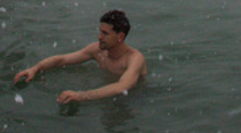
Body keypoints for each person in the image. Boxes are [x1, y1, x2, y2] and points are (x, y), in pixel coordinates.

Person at [13, 9, 147, 104]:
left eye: (105, 33)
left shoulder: (134, 59)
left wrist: (81, 96)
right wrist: (35, 68)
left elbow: (122, 87)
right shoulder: (97, 50)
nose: (99, 37)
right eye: (100, 31)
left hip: (133, 99)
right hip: (106, 93)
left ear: (120, 37)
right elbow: (62, 60)